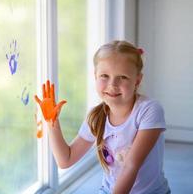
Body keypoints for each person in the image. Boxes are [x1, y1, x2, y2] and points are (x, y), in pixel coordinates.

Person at [34, 40, 170, 194]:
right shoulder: (96, 117)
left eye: (123, 77)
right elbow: (65, 160)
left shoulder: (150, 110)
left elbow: (131, 165)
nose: (113, 84)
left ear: (137, 80)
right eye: (105, 76)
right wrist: (52, 123)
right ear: (95, 76)